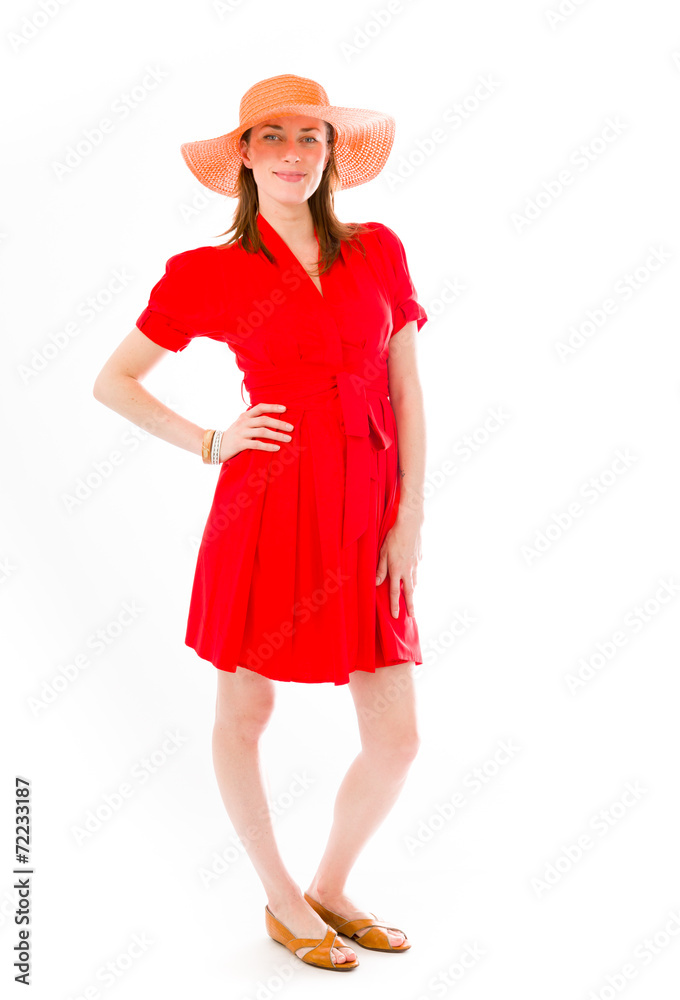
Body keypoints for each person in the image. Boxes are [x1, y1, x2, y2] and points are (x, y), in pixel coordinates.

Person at [93, 73, 428, 972]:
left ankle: (331, 888)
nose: (292, 153)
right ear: (243, 154)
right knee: (247, 708)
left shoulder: (378, 250)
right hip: (268, 504)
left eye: (309, 136)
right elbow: (113, 381)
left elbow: (406, 390)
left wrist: (410, 518)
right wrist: (210, 441)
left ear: (330, 151)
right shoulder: (208, 272)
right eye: (271, 137)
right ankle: (282, 898)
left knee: (397, 739)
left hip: (370, 510)